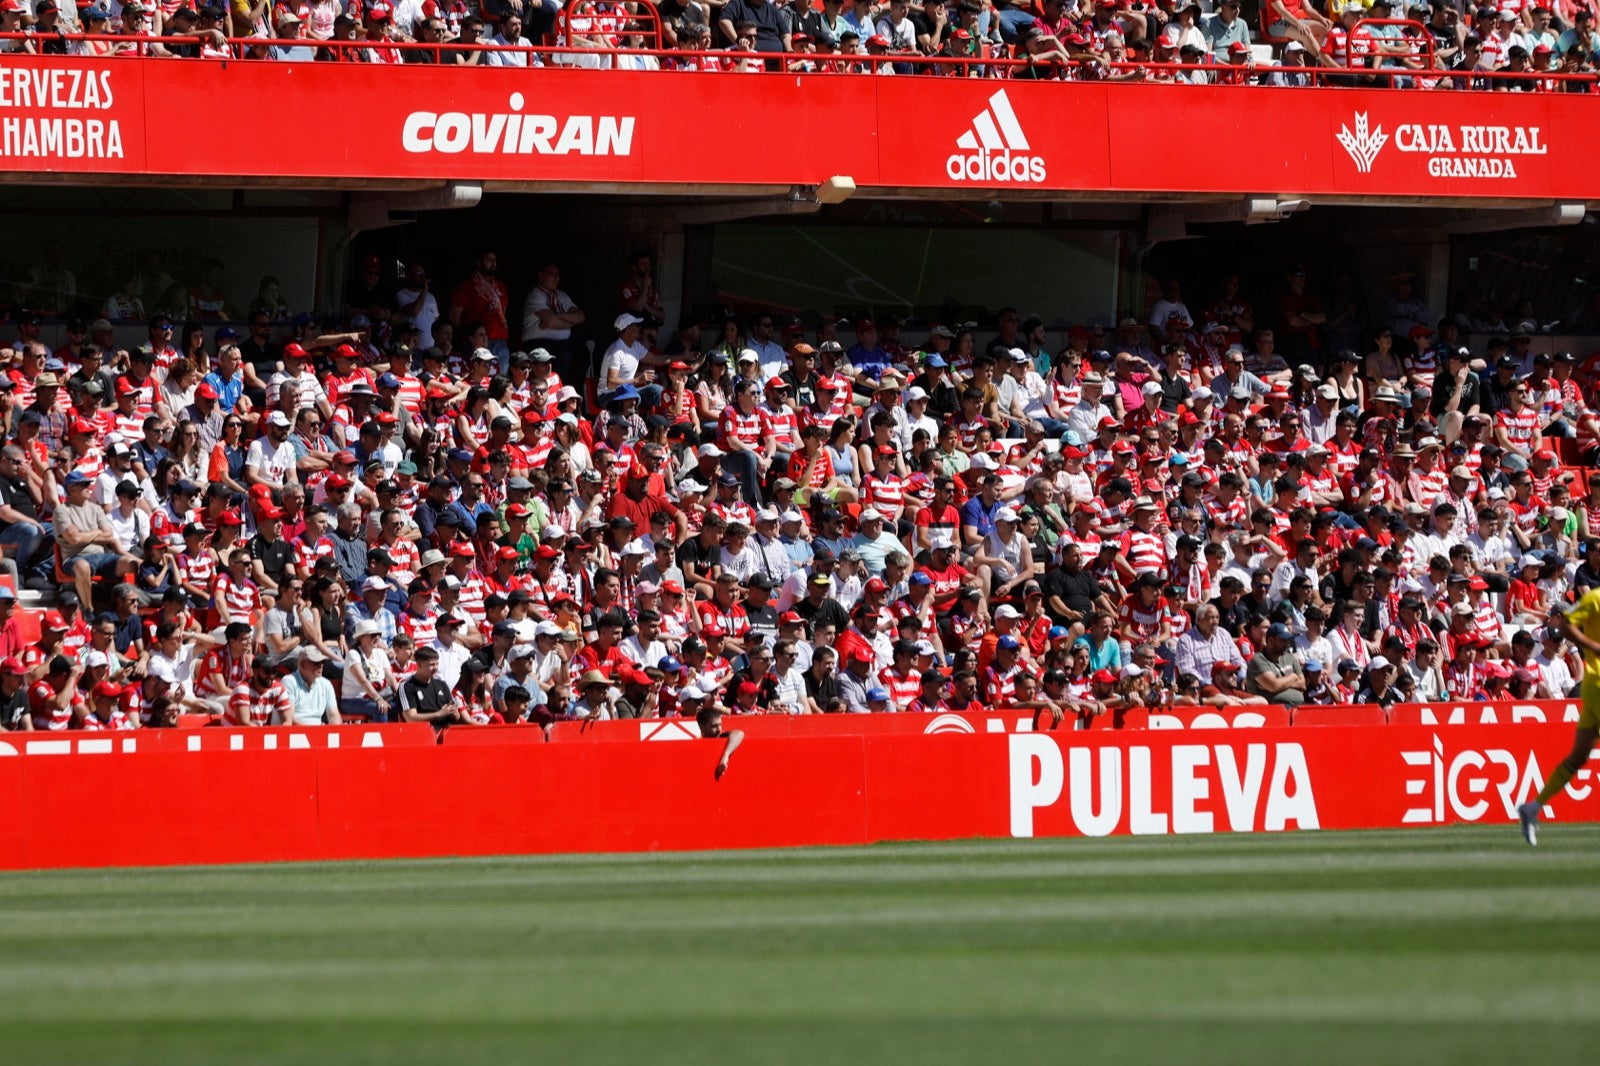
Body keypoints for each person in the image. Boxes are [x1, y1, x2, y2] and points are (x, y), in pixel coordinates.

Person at [1520, 594, 1600, 845]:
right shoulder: (1595, 599)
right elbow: (1563, 624)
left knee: (1578, 757)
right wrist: (1594, 647)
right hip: (1598, 682)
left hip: (1592, 687)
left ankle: (1533, 806)